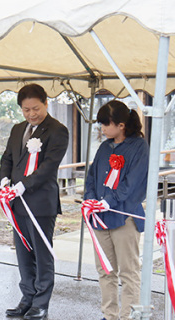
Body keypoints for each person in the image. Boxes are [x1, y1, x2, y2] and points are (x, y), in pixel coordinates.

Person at [0, 83, 68, 319]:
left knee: (41, 254)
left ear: (46, 103)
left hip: (40, 203)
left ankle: (41, 302)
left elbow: (49, 166)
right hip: (17, 203)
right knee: (23, 253)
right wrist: (4, 179)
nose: (31, 114)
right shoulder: (18, 129)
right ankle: (26, 297)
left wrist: (24, 185)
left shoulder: (58, 130)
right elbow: (7, 157)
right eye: (26, 109)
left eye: (35, 108)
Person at [83, 101, 148, 320]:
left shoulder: (139, 146)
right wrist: (91, 200)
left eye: (105, 124)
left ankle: (128, 316)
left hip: (124, 216)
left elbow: (133, 183)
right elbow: (91, 177)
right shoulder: (104, 146)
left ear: (121, 125)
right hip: (100, 217)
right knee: (105, 271)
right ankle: (109, 315)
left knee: (129, 272)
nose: (102, 128)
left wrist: (110, 201)